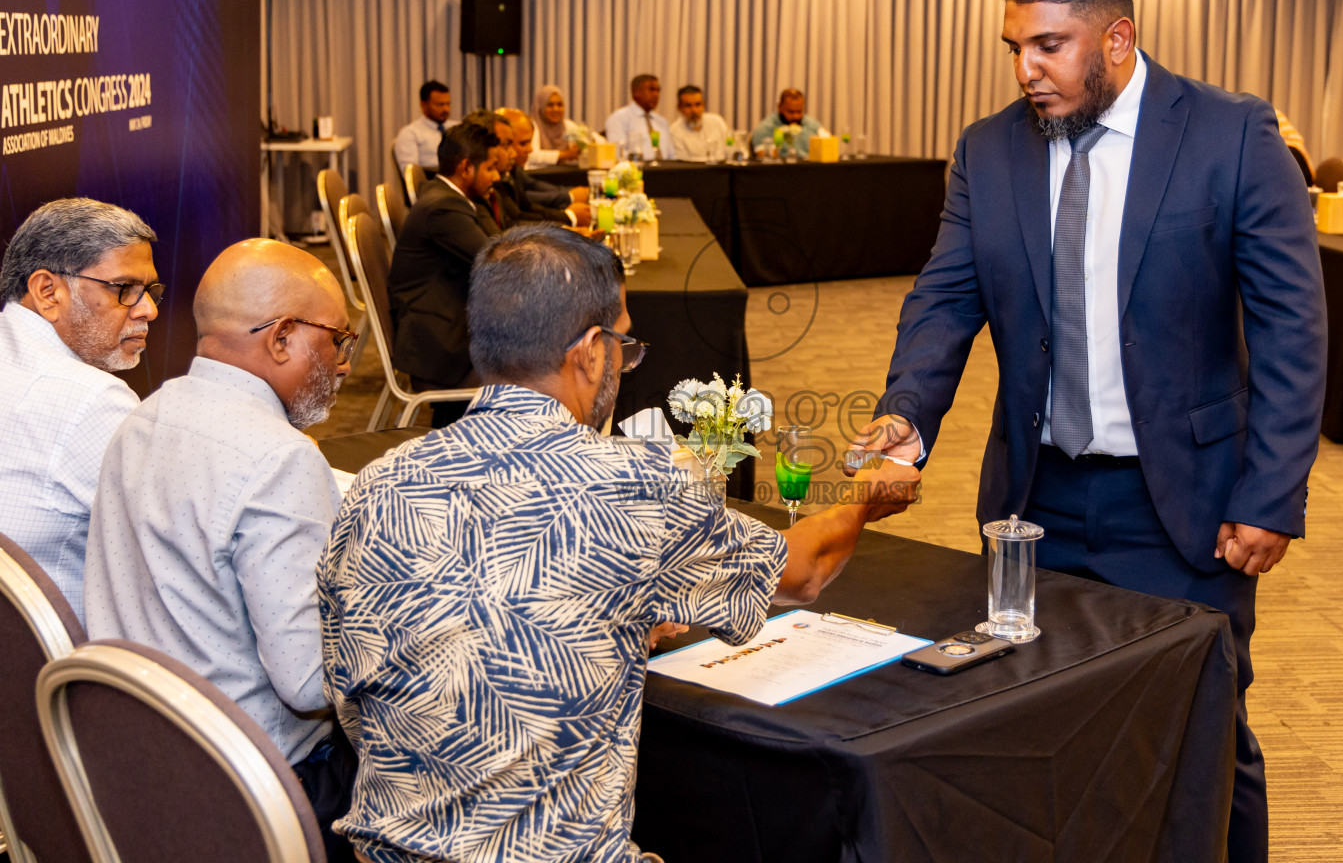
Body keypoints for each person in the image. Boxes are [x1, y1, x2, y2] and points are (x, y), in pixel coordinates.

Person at [843, 0, 1325, 863]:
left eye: (1050, 46)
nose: (1028, 69)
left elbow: (1294, 329)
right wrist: (909, 409)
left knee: (1202, 730)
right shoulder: (990, 149)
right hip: (1037, 502)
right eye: (1015, 46)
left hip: (1183, 504)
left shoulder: (1232, 134)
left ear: (1118, 38)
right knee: (1045, 722)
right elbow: (946, 297)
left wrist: (1270, 496)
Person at [319, 223, 920, 863]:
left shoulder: (376, 485)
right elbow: (802, 571)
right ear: (586, 352)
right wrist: (866, 498)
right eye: (622, 344)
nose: (621, 361)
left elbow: (348, 690)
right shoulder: (638, 482)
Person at [84, 238, 358, 863]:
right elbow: (311, 683)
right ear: (283, 337)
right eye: (338, 341)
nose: (343, 365)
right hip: (257, 789)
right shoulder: (280, 459)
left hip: (139, 765)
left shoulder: (142, 418)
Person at [0, 198, 159, 620]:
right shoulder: (92, 400)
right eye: (125, 289)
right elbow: (178, 548)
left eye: (150, 291)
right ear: (48, 292)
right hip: (57, 668)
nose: (149, 310)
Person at [387, 120, 501, 427]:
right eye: (491, 168)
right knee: (540, 359)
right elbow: (498, 260)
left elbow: (496, 243)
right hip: (438, 351)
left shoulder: (451, 197)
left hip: (445, 324)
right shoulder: (443, 208)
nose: (498, 176)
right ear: (466, 168)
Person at [469, 109, 592, 228]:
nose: (512, 153)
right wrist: (567, 217)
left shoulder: (510, 171)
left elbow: (529, 200)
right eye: (507, 145)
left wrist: (569, 201)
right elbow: (511, 224)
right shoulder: (485, 186)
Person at [603, 74, 676, 161]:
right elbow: (618, 153)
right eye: (651, 90)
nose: (656, 95)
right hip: (637, 170)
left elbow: (671, 154)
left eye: (658, 90)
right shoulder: (619, 118)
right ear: (636, 92)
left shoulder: (662, 121)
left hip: (667, 170)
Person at [392, 80, 455, 175]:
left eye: (448, 104)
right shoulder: (411, 133)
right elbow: (411, 175)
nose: (446, 109)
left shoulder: (457, 128)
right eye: (440, 104)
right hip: (431, 185)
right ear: (423, 105)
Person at [749, 88, 828, 158]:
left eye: (799, 111)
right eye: (791, 112)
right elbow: (762, 157)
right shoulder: (765, 128)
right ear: (780, 107)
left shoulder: (813, 125)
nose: (795, 116)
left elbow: (828, 146)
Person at [670, 84, 733, 162]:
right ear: (679, 108)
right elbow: (683, 162)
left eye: (698, 104)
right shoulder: (674, 131)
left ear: (703, 104)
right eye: (688, 106)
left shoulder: (717, 121)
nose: (694, 110)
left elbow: (730, 150)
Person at [528, 84, 582, 167]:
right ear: (540, 107)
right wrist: (565, 155)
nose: (556, 109)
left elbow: (581, 149)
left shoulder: (568, 126)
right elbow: (531, 155)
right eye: (550, 105)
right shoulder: (532, 126)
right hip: (537, 175)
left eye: (559, 105)